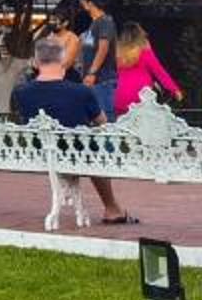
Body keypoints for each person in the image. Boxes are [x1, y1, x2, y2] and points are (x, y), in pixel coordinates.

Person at [12, 31, 130, 224]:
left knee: (88, 147)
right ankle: (112, 208)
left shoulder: (22, 93)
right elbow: (102, 123)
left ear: (36, 62)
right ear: (63, 61)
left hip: (40, 152)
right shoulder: (81, 91)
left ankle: (112, 208)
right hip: (77, 153)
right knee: (92, 148)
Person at [70, 0, 121, 120]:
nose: (81, 4)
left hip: (103, 81)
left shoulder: (105, 22)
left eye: (83, 1)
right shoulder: (94, 24)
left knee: (106, 121)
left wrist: (92, 73)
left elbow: (103, 48)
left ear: (90, 3)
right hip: (93, 82)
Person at [112, 23, 182, 115]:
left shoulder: (117, 53)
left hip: (119, 98)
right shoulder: (144, 51)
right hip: (141, 98)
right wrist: (174, 89)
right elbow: (159, 71)